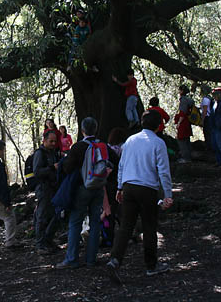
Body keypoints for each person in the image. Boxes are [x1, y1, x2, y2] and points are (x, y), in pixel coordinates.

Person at [106, 110, 173, 284]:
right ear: (159, 126)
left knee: (126, 226)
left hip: (128, 187)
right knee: (149, 226)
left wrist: (119, 187)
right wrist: (167, 195)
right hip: (147, 188)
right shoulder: (158, 143)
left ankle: (114, 260)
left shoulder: (130, 141)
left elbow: (121, 166)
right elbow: (164, 171)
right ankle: (151, 265)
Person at [56, 117, 107, 269]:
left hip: (82, 188)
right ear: (96, 129)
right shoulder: (102, 145)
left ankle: (72, 258)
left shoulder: (78, 147)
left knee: (75, 222)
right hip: (98, 187)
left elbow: (68, 168)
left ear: (82, 130)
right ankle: (91, 259)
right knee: (95, 222)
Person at [32, 130, 62, 254]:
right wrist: (51, 167)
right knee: (42, 216)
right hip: (44, 189)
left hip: (54, 188)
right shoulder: (40, 154)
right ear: (44, 140)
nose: (53, 143)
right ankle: (40, 245)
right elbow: (37, 172)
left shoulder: (53, 153)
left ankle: (48, 240)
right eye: (51, 141)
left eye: (55, 141)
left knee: (55, 216)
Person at [174, 85, 193, 163]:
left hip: (183, 122)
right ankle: (188, 157)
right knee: (186, 139)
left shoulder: (183, 100)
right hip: (188, 122)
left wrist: (179, 123)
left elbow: (182, 113)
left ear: (182, 91)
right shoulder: (190, 100)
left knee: (181, 140)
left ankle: (185, 158)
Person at [200, 85, 214, 150]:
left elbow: (205, 110)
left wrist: (202, 120)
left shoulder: (205, 99)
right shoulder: (209, 98)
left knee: (207, 133)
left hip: (207, 118)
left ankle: (209, 148)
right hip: (210, 118)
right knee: (209, 133)